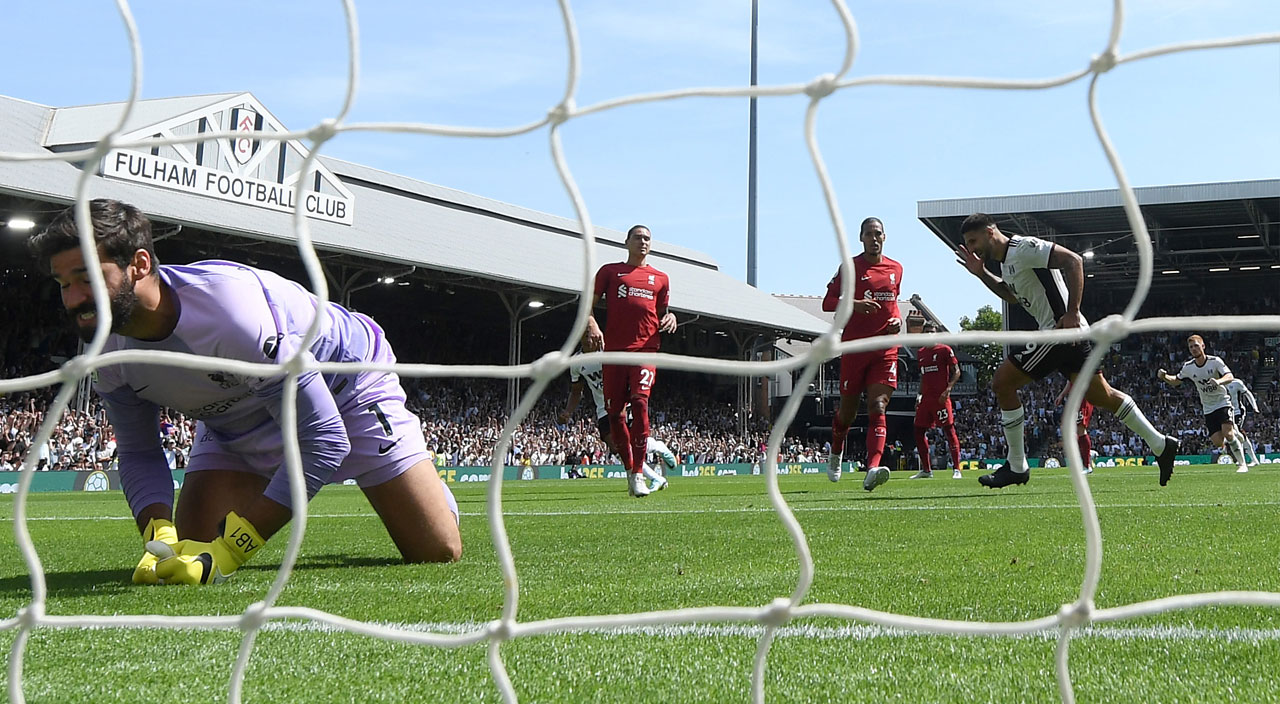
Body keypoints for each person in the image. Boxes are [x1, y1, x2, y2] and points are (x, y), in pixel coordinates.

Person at [29, 199, 461, 586]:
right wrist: (156, 531)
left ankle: (419, 471)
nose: (73, 300)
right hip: (233, 419)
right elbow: (140, 452)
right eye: (63, 284)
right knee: (190, 546)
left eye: (87, 278)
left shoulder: (232, 315)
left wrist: (233, 550)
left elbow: (324, 441)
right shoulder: (103, 347)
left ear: (139, 264)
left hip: (347, 388)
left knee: (436, 551)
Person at [957, 213, 1178, 488]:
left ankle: (1017, 466)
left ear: (990, 232)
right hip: (1068, 335)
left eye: (973, 241)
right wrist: (981, 274)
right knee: (1103, 396)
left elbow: (1073, 260)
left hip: (1058, 332)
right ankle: (1161, 444)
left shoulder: (1023, 248)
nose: (972, 248)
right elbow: (1009, 296)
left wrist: (1072, 311)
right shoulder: (1007, 263)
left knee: (1002, 383)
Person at [584, 225, 677, 498]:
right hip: (614, 352)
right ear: (626, 242)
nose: (643, 242)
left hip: (646, 351)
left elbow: (663, 312)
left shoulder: (660, 278)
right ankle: (631, 470)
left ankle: (638, 473)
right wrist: (590, 320)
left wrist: (671, 318)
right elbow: (587, 303)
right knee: (615, 415)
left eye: (647, 238)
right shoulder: (610, 272)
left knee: (640, 401)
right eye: (638, 237)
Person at [823, 217, 902, 492]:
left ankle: (873, 468)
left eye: (878, 233)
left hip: (885, 349)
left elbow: (893, 306)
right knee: (847, 414)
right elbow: (828, 302)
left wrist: (898, 322)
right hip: (854, 349)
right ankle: (836, 449)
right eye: (869, 234)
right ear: (861, 238)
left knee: (878, 406)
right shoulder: (850, 268)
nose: (874, 238)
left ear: (884, 236)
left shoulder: (896, 268)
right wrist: (854, 305)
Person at [559, 345, 677, 491]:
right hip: (602, 409)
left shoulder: (609, 350)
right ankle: (657, 477)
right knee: (619, 448)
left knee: (631, 443)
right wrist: (568, 411)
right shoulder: (577, 361)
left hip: (622, 401)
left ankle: (657, 455)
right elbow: (576, 391)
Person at [1158, 335, 1250, 473]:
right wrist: (1164, 377)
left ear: (1203, 346)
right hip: (1208, 407)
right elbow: (1176, 380)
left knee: (1228, 433)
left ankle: (1242, 464)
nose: (1194, 349)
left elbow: (1230, 376)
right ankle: (1235, 435)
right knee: (1218, 442)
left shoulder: (1215, 361)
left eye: (1196, 345)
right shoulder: (1188, 367)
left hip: (1222, 402)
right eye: (1191, 347)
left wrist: (1218, 382)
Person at [910, 321, 963, 480]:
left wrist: (948, 390)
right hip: (926, 399)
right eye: (926, 332)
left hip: (940, 398)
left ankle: (956, 468)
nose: (929, 334)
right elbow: (923, 376)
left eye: (932, 331)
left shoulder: (945, 350)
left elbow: (957, 371)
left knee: (949, 431)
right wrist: (919, 395)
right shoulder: (921, 353)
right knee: (918, 432)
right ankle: (926, 470)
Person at [1055, 380, 1095, 474]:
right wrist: (1062, 395)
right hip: (1075, 399)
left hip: (1082, 398)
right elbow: (1070, 380)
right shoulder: (1071, 368)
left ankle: (1087, 465)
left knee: (1080, 429)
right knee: (1070, 429)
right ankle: (1088, 455)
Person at [1224, 378, 1261, 466]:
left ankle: (1253, 460)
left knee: (1238, 432)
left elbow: (1248, 393)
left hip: (1237, 412)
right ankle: (1243, 460)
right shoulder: (1218, 384)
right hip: (1227, 413)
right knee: (1234, 435)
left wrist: (1254, 406)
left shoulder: (1236, 383)